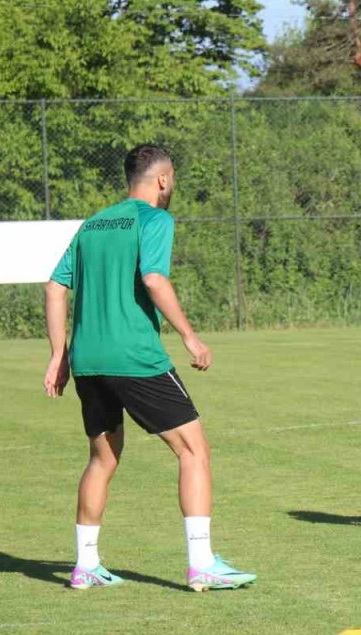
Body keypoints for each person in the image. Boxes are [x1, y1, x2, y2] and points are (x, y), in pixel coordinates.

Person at [44, 144, 256, 591]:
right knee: (194, 450)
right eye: (172, 178)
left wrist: (59, 354)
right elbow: (154, 278)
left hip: (88, 360)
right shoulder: (155, 219)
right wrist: (189, 336)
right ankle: (201, 564)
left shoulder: (94, 223)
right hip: (135, 357)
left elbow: (54, 286)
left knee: (102, 459)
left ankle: (85, 566)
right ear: (162, 179)